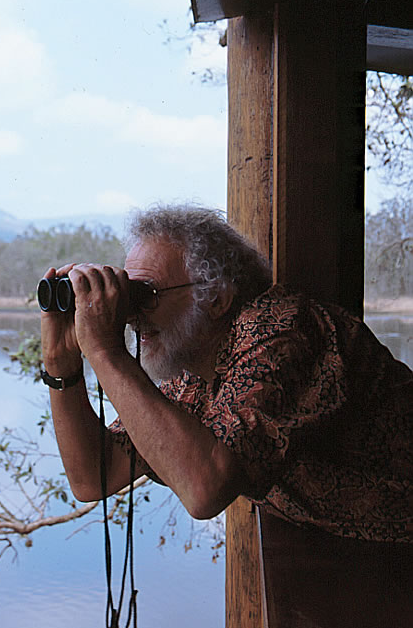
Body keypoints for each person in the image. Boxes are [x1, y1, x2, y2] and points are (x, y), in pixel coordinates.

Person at [40, 204, 413, 542]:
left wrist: (105, 351)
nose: (132, 314)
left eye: (145, 294)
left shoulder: (283, 332)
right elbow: (95, 476)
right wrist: (61, 365)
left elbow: (204, 491)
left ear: (216, 298)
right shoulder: (192, 375)